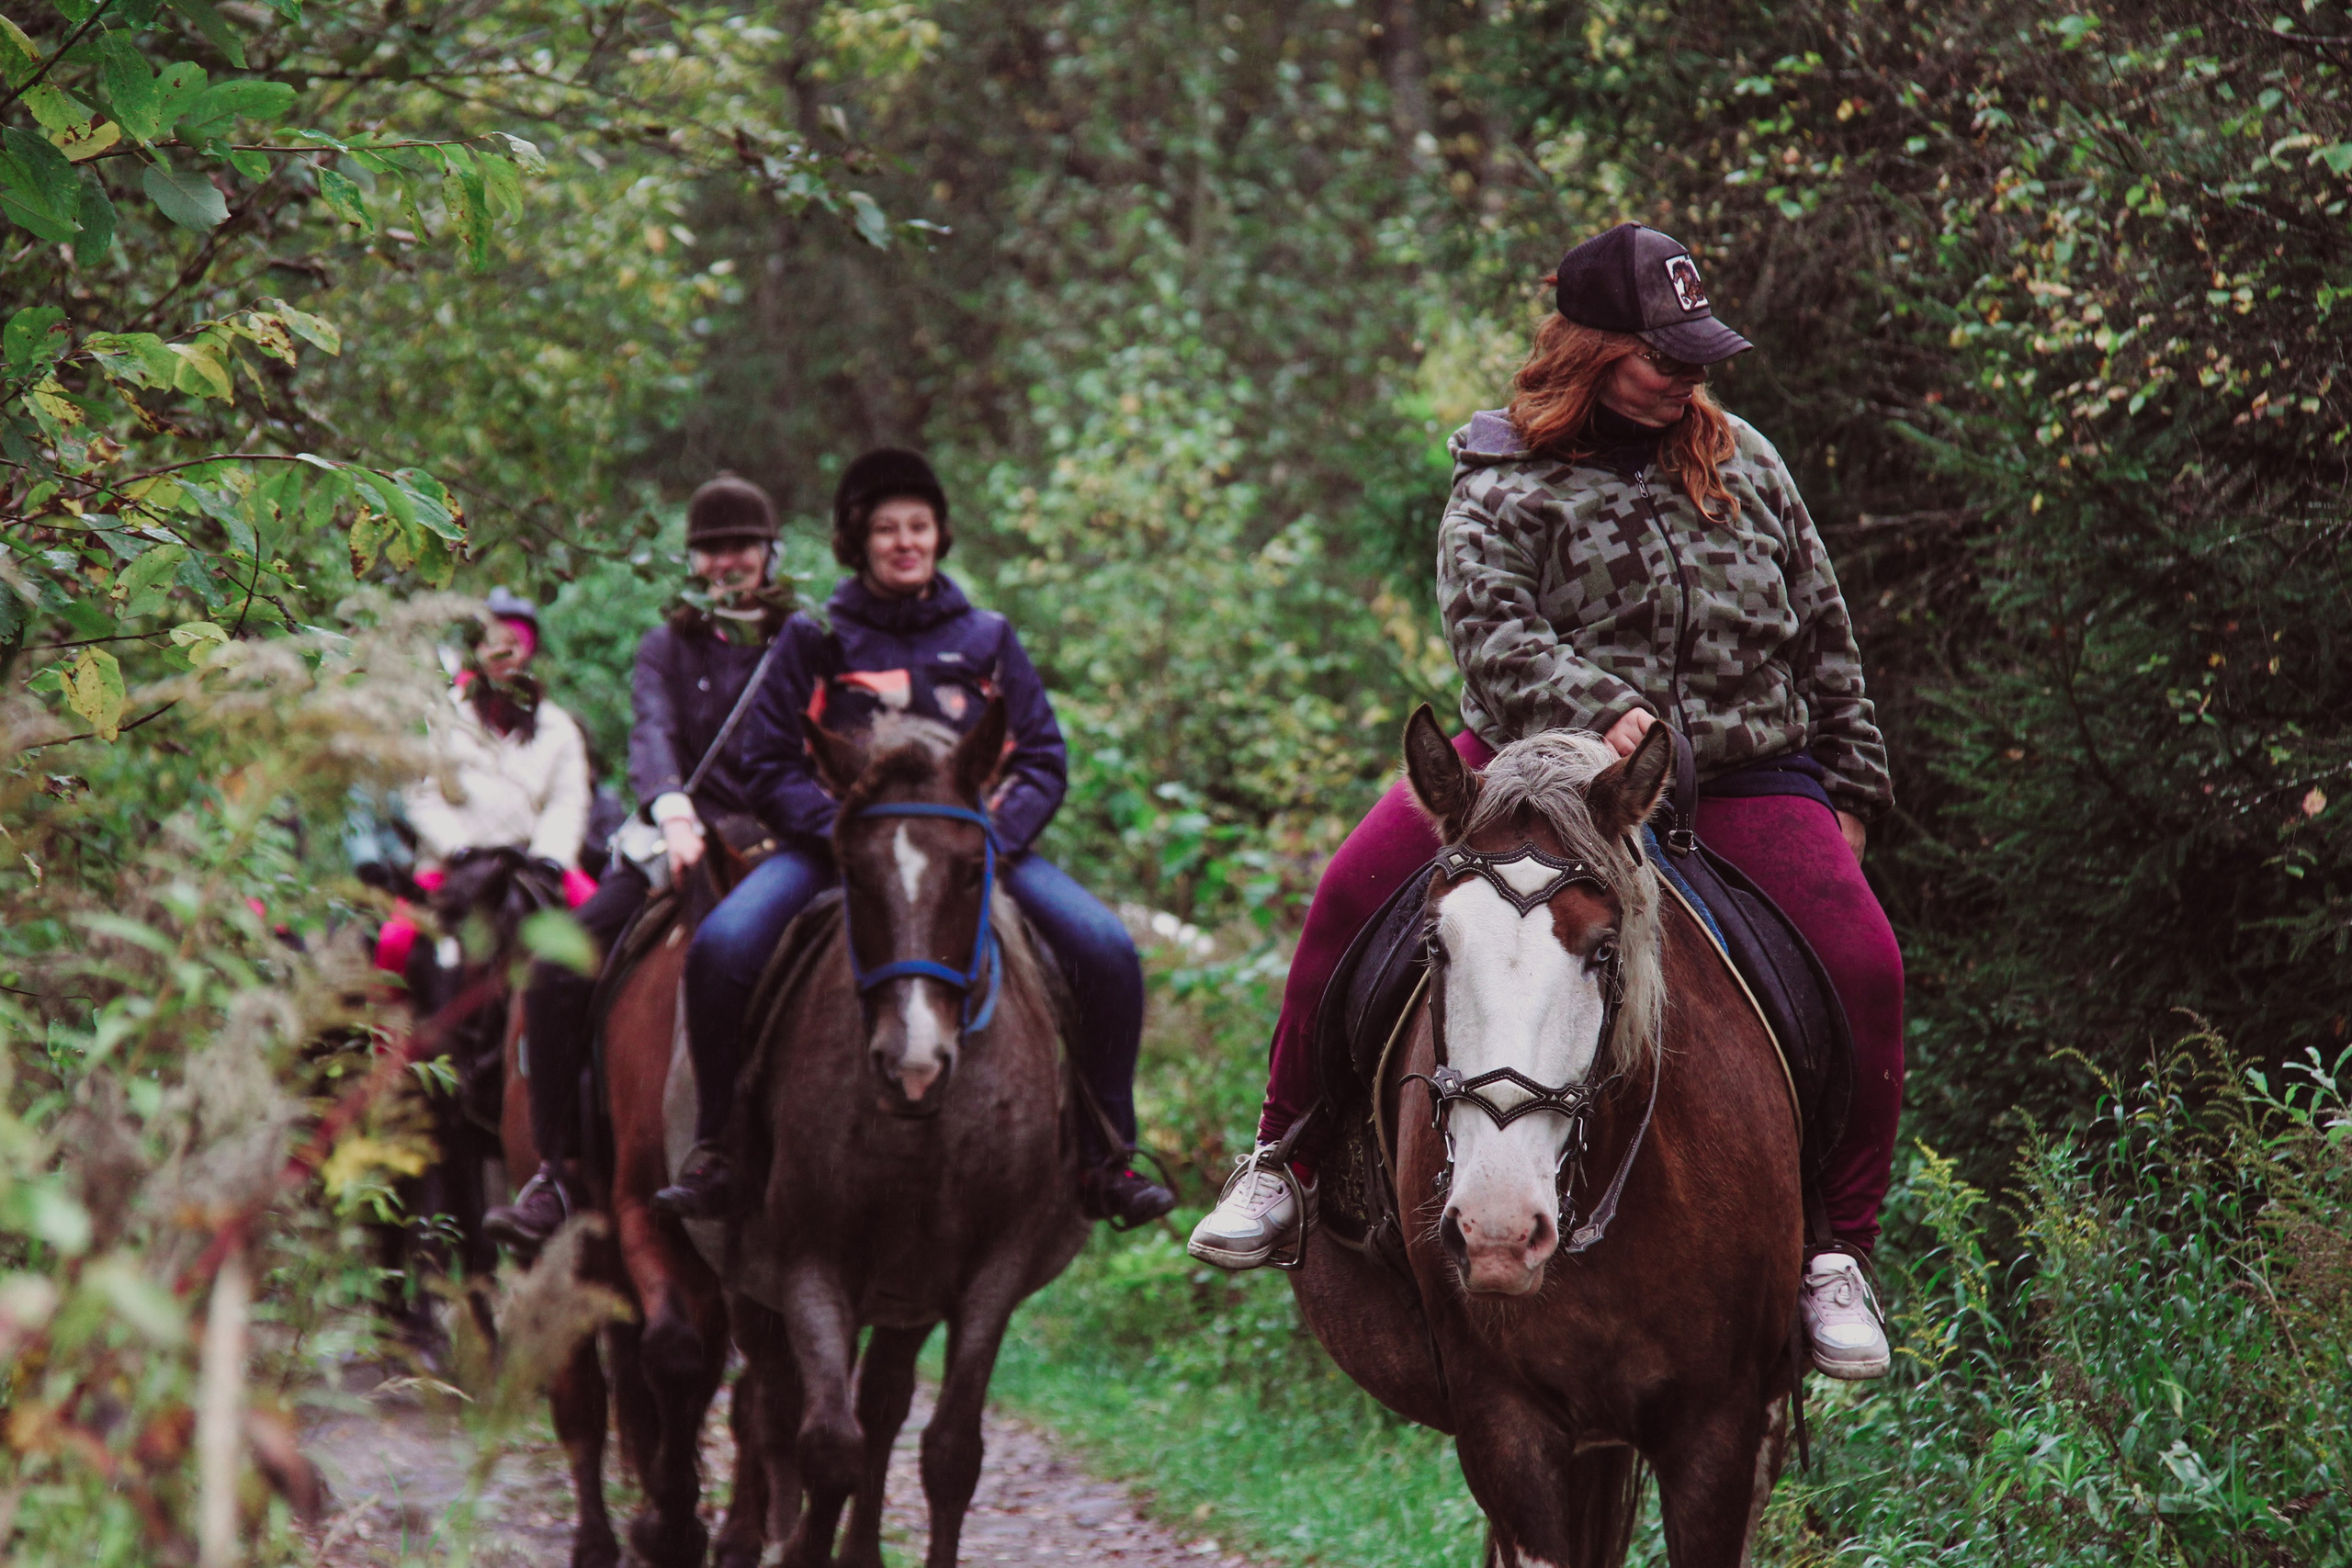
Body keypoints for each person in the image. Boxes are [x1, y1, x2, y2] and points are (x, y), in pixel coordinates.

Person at [1186, 223, 1905, 1381]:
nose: (1685, 378)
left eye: (1694, 356)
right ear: (1587, 349)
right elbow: (1488, 627)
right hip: (1537, 762)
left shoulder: (1747, 461)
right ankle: (1286, 1160)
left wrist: (1852, 789)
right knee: (1348, 892)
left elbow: (1824, 632)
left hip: (1740, 769)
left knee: (1866, 964)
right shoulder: (1500, 472)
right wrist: (1599, 706)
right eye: (1659, 357)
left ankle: (1835, 1254)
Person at [650, 447, 1178, 1229]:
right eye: (887, 528)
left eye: (920, 527)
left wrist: (989, 836)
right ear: (857, 541)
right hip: (837, 848)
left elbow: (1041, 757)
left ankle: (1108, 1159)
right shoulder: (814, 635)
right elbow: (767, 762)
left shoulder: (988, 636)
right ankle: (720, 1149)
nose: (906, 541)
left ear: (939, 535)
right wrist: (839, 833)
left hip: (974, 850)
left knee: (1106, 949)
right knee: (724, 945)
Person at [484, 478, 791, 1249]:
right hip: (678, 837)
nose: (728, 563)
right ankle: (555, 1168)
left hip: (787, 846)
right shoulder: (665, 646)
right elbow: (652, 735)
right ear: (693, 561)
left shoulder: (805, 643)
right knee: (557, 970)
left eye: (742, 548)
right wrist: (676, 810)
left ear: (769, 556)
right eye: (713, 549)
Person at [401, 587, 595, 900]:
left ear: (528, 652)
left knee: (601, 930)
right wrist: (460, 850)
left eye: (513, 644)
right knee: (396, 942)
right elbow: (422, 794)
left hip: (535, 864)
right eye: (492, 644)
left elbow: (567, 801)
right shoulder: (439, 717)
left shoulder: (558, 728)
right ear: (477, 649)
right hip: (452, 864)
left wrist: (549, 857)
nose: (501, 655)